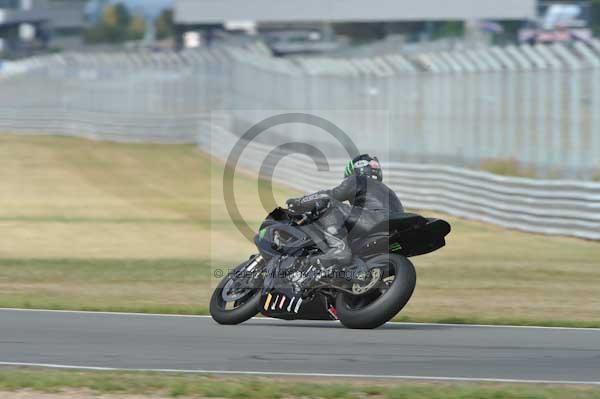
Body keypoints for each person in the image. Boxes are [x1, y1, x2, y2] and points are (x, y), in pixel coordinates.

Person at [286, 154, 403, 277]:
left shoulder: (357, 180)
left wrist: (300, 202)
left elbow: (329, 195)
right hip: (391, 230)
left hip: (372, 221)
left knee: (329, 204)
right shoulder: (391, 192)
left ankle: (338, 250)